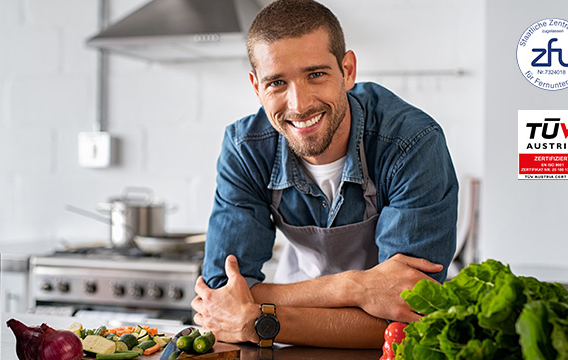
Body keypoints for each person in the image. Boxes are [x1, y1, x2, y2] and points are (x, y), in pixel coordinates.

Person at [191, 0, 458, 349]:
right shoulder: (247, 149)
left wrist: (261, 320)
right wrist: (353, 287)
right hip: (288, 344)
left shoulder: (411, 143)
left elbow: (407, 315)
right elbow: (223, 296)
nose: (299, 105)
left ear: (347, 70)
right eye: (277, 83)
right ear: (257, 87)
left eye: (315, 74)